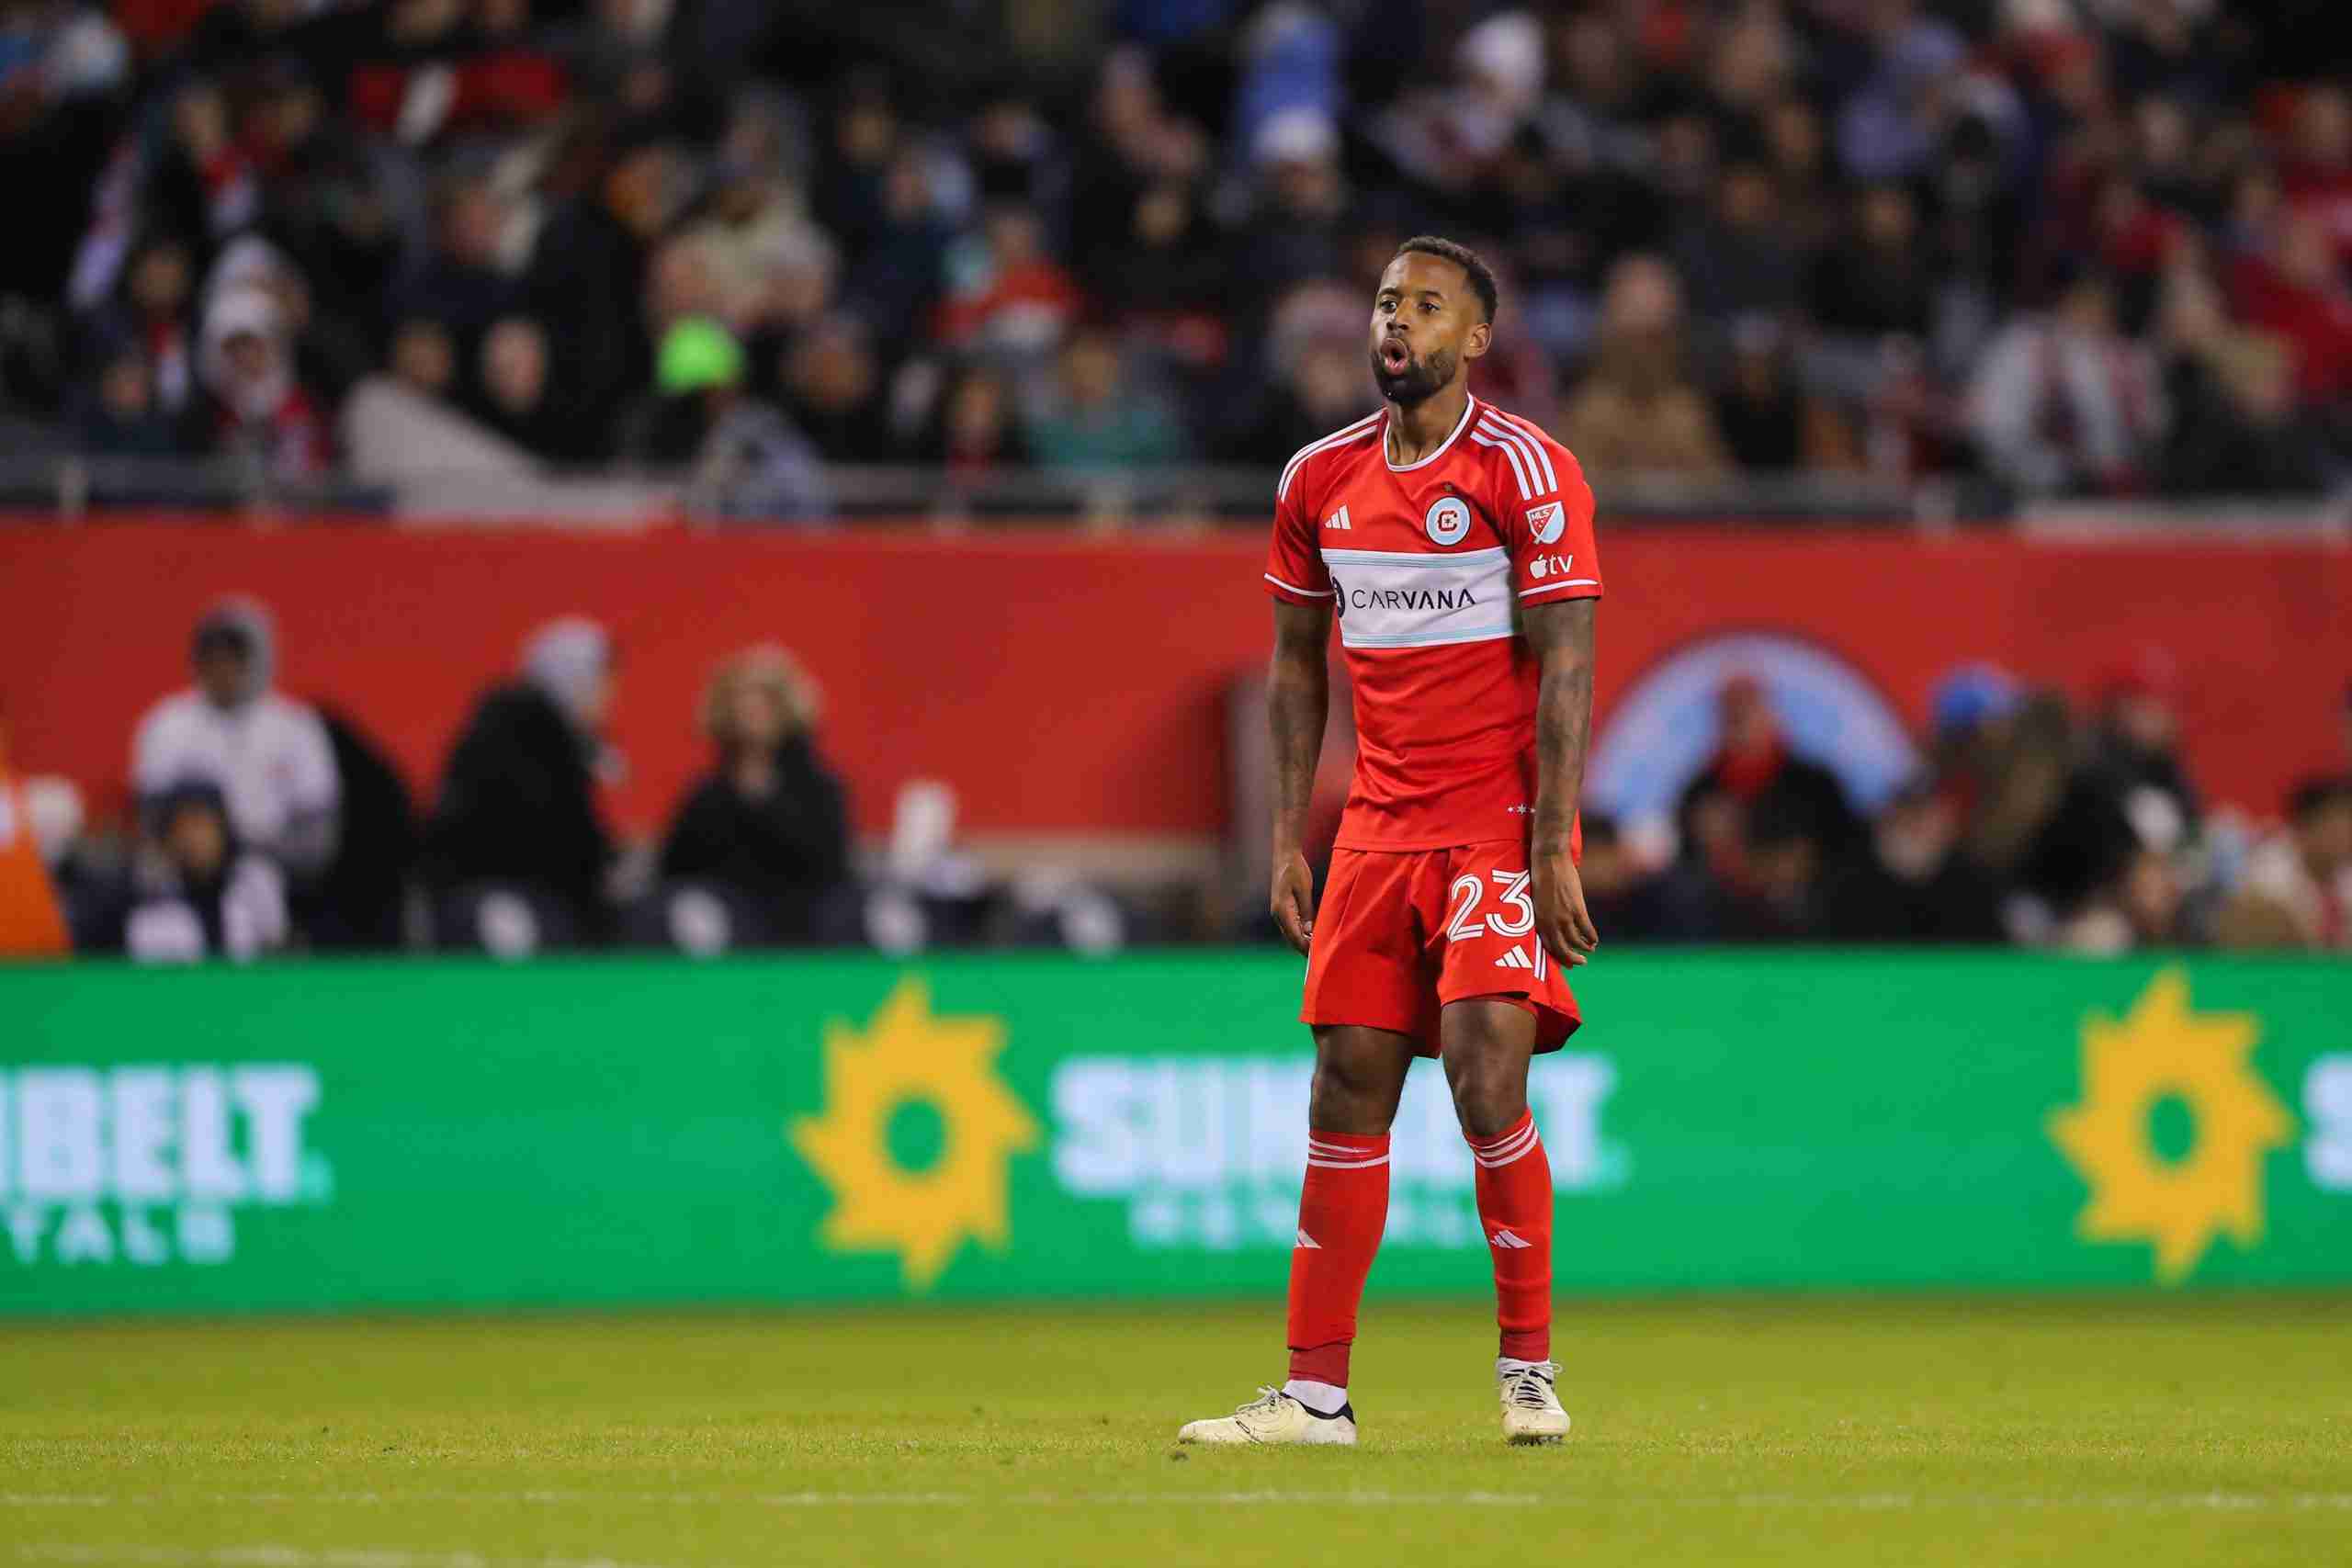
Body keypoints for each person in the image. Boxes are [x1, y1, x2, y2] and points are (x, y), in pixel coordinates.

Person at [1180, 236, 1598, 1450]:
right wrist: (1287, 832)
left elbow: (1567, 660)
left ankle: (1528, 1369)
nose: (1394, 321)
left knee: (1482, 1077)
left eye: (1424, 305)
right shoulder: (1316, 478)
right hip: (1376, 828)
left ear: (1476, 338)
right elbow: (1295, 664)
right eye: (1383, 302)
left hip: (1493, 825)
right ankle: (1316, 1395)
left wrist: (1555, 839)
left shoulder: (1532, 469)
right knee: (1346, 1083)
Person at [423, 618, 619, 942]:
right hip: (506, 923)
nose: (609, 697)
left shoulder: (526, 733)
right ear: (572, 681)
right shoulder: (530, 743)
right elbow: (562, 847)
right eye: (601, 682)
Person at [131, 598, 341, 881]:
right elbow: (151, 819)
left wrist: (250, 847)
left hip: (273, 873)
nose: (222, 668)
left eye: (232, 658)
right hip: (186, 876)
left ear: (254, 660)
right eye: (212, 658)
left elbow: (318, 833)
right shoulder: (167, 724)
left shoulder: (295, 726)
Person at [657, 646, 852, 942]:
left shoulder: (819, 790)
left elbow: (831, 866)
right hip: (721, 934)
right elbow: (674, 870)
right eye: (742, 705)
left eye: (763, 705)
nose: (751, 715)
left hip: (805, 932)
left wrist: (766, 805)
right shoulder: (706, 795)